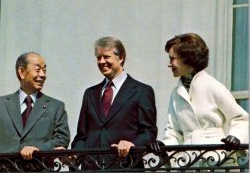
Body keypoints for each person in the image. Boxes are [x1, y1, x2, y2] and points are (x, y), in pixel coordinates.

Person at [0, 52, 70, 165]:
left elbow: (62, 140)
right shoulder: (1, 104)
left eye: (44, 70)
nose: (42, 75)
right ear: (22, 72)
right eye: (38, 69)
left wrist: (38, 148)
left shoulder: (55, 106)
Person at [70, 36, 159, 170]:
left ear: (121, 57)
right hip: (92, 168)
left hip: (126, 166)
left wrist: (132, 144)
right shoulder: (90, 93)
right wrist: (74, 154)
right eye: (98, 57)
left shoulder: (142, 91)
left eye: (106, 57)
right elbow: (82, 136)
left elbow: (148, 132)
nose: (101, 61)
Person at [162, 33, 249, 166]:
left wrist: (235, 137)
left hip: (217, 159)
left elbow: (240, 117)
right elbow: (173, 131)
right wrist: (164, 148)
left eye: (172, 58)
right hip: (189, 162)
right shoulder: (176, 93)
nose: (169, 64)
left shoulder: (213, 86)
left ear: (187, 59)